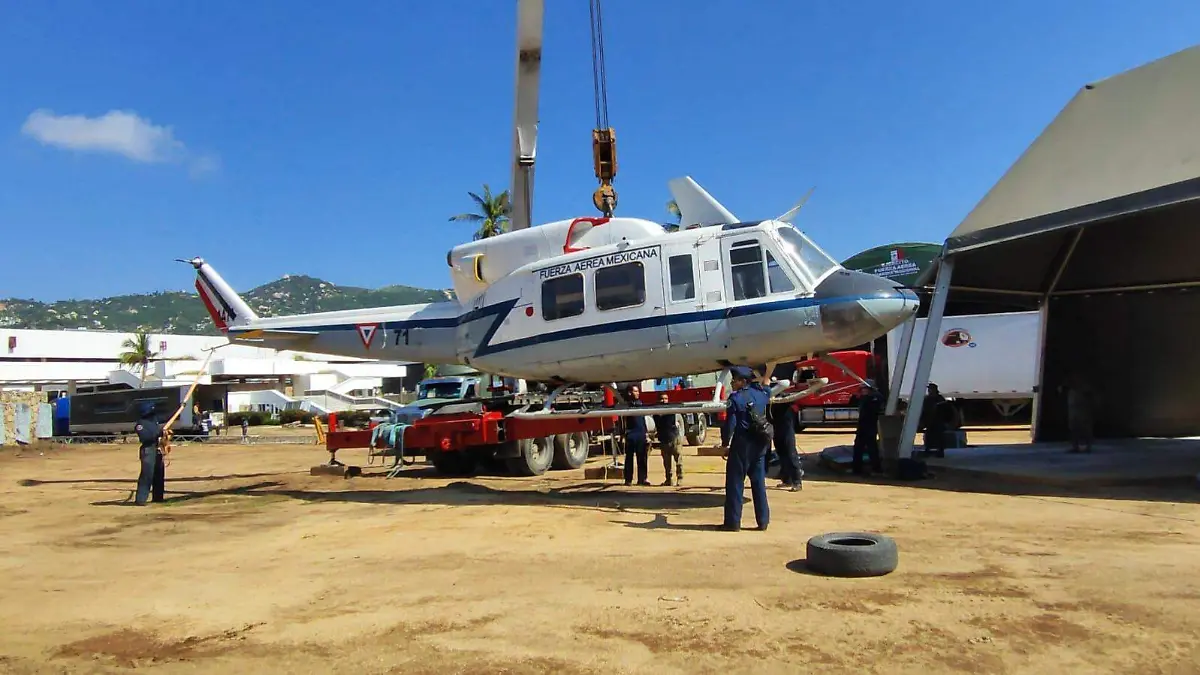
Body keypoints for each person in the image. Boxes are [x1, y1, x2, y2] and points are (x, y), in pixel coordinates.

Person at [719, 367, 771, 532]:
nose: (732, 383)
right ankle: (763, 521)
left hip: (742, 444)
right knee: (758, 483)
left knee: (735, 483)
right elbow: (768, 391)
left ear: (742, 381)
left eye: (734, 380)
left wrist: (725, 443)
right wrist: (767, 382)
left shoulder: (735, 399)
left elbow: (730, 425)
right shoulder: (761, 394)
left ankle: (733, 523)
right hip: (761, 443)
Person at [133, 402, 166, 505]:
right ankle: (141, 499)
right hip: (148, 450)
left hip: (157, 449)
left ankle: (158, 498)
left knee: (159, 474)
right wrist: (158, 433)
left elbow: (167, 417)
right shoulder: (140, 424)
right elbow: (145, 438)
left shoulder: (154, 420)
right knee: (147, 475)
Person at [769, 398, 802, 490]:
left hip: (786, 427)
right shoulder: (768, 397)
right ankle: (787, 479)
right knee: (780, 451)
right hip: (777, 426)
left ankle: (797, 481)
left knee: (790, 452)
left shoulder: (785, 399)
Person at [852, 381, 884, 475]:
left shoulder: (874, 398)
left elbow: (875, 408)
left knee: (872, 448)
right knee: (858, 448)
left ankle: (876, 468)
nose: (863, 391)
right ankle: (857, 469)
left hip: (870, 426)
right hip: (862, 426)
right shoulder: (864, 399)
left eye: (864, 389)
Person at [652, 392, 683, 486]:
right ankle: (668, 479)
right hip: (663, 439)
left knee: (678, 459)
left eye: (665, 399)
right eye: (662, 399)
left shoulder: (671, 410)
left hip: (674, 438)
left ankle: (680, 478)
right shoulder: (656, 413)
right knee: (666, 462)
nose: (664, 401)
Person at [621, 385, 650, 486]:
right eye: (635, 391)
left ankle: (642, 479)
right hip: (631, 434)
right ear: (630, 393)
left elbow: (643, 420)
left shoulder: (640, 404)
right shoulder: (626, 405)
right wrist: (623, 434)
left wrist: (646, 433)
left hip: (640, 433)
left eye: (638, 391)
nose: (638, 393)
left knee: (642, 457)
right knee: (629, 458)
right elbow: (622, 421)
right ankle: (628, 479)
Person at [1062, 373, 1096, 453]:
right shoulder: (1072, 391)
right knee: (1074, 430)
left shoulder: (1083, 390)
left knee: (1084, 429)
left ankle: (1087, 446)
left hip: (1081, 412)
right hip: (1075, 412)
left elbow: (1089, 399)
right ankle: (1076, 446)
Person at [918, 382, 951, 458]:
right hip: (930, 421)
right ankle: (928, 450)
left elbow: (945, 410)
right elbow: (924, 410)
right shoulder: (928, 399)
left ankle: (940, 451)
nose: (929, 390)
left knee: (939, 437)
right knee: (929, 436)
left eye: (930, 389)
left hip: (938, 421)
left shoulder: (939, 399)